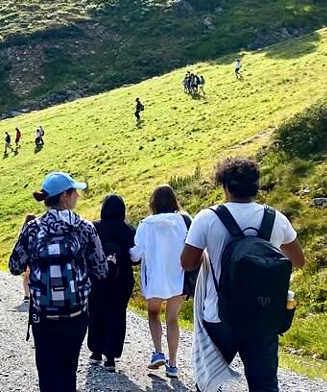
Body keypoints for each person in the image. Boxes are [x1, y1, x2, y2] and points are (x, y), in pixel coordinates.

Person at [181, 157, 305, 392]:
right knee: (264, 385)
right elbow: (298, 261)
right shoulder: (276, 219)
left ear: (225, 186)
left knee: (208, 385)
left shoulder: (207, 218)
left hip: (220, 314)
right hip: (263, 313)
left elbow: (187, 264)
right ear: (256, 186)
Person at [8, 171, 112, 392]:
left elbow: (14, 266)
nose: (78, 196)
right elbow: (101, 270)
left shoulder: (33, 228)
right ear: (65, 195)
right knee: (68, 369)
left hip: (44, 314)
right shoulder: (85, 228)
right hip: (76, 313)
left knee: (47, 370)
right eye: (74, 192)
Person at [129, 185, 189, 378]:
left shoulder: (146, 224)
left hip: (155, 279)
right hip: (177, 278)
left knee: (153, 314)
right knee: (173, 319)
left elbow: (136, 253)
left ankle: (158, 352)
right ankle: (173, 364)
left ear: (153, 203)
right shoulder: (183, 221)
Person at [88, 195, 137, 372]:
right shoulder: (129, 231)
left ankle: (95, 352)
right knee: (117, 315)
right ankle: (110, 357)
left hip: (97, 278)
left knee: (96, 312)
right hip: (121, 279)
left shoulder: (95, 227)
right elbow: (135, 259)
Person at [20, 214, 37, 302]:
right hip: (35, 256)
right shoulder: (37, 229)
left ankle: (27, 295)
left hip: (26, 256)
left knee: (26, 276)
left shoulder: (23, 231)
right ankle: (34, 294)